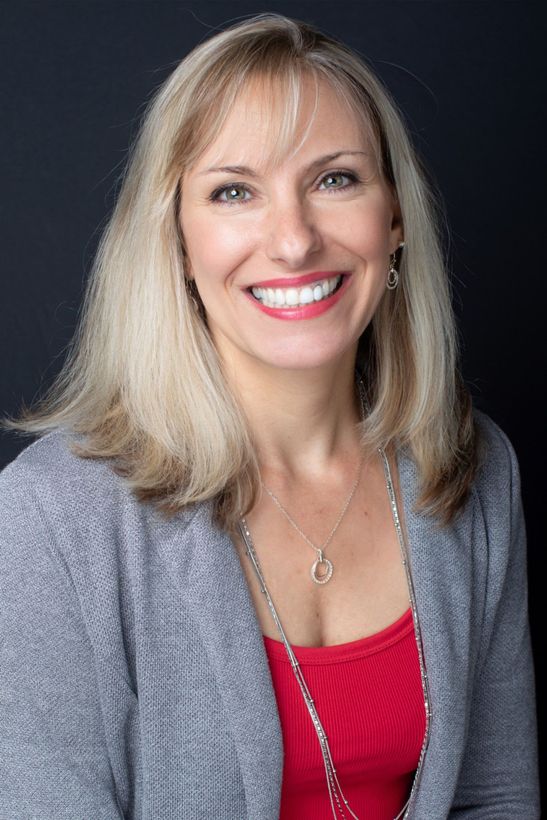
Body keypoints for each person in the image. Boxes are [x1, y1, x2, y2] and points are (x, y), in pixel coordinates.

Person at [0, 12, 539, 820]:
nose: (292, 242)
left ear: (393, 220)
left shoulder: (471, 469)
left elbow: (495, 796)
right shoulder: (51, 518)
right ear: (177, 244)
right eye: (233, 191)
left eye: (334, 179)